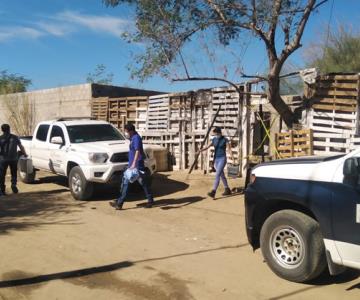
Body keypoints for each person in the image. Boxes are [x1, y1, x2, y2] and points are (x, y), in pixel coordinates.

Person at [110, 124, 154, 210]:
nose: (125, 133)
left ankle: (120, 203)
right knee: (137, 183)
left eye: (126, 131)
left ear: (131, 131)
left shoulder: (136, 138)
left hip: (136, 166)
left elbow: (137, 151)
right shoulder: (132, 138)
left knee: (136, 183)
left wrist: (134, 163)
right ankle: (149, 200)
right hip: (133, 165)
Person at [198, 127, 234, 199]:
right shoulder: (214, 139)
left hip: (222, 159)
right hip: (216, 160)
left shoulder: (225, 139)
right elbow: (207, 147)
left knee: (217, 174)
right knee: (221, 175)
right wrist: (201, 150)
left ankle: (213, 191)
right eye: (214, 133)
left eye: (215, 133)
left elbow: (229, 149)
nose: (214, 134)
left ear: (218, 132)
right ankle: (227, 189)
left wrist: (232, 158)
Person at [0, 124, 27, 195]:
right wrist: (25, 154)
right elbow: (21, 146)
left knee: (2, 174)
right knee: (14, 173)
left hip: (3, 159)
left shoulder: (0, 138)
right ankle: (13, 184)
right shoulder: (15, 137)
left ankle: (2, 188)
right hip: (14, 158)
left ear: (2, 130)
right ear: (9, 129)